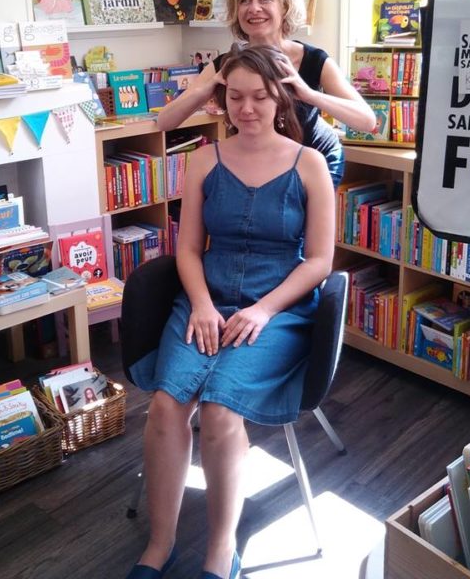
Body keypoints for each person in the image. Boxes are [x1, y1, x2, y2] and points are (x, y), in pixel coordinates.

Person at [127, 45, 335, 579]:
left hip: (279, 308)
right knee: (166, 406)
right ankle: (160, 542)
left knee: (220, 410)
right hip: (206, 298)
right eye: (235, 97)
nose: (247, 108)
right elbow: (189, 248)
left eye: (260, 97)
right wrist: (198, 303)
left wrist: (264, 310)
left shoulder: (309, 163)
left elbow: (318, 262)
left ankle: (221, 549)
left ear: (279, 96)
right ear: (222, 100)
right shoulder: (203, 159)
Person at [157, 0, 376, 187]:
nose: (253, 8)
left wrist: (308, 94)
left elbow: (366, 120)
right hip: (258, 160)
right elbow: (165, 121)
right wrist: (209, 86)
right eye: (244, 1)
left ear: (284, 6)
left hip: (315, 161)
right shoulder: (227, 63)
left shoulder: (313, 60)